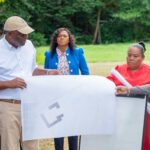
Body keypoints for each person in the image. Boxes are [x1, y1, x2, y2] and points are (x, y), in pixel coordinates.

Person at [0, 16, 58, 150]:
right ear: (9, 33)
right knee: (9, 146)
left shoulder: (29, 46)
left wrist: (48, 72)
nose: (25, 38)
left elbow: (32, 70)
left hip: (30, 105)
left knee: (32, 146)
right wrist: (9, 83)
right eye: (21, 35)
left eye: (26, 34)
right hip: (7, 107)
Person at [44, 27, 89, 150]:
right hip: (56, 95)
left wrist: (83, 90)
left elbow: (85, 73)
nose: (61, 38)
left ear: (69, 39)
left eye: (64, 36)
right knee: (58, 126)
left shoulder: (78, 52)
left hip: (73, 95)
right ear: (55, 39)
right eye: (59, 36)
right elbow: (45, 75)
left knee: (72, 125)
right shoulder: (49, 55)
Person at [107, 42, 150, 150]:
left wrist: (130, 90)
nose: (131, 58)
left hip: (145, 118)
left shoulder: (148, 71)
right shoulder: (118, 70)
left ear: (142, 57)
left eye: (135, 56)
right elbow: (107, 85)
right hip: (122, 116)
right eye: (129, 55)